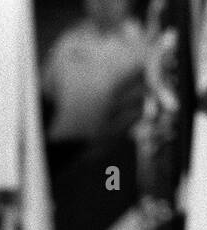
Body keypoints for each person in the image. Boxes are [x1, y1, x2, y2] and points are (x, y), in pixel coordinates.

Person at [42, 0, 147, 147]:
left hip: (116, 151)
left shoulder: (145, 45)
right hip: (62, 148)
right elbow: (46, 95)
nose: (104, 3)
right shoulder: (68, 40)